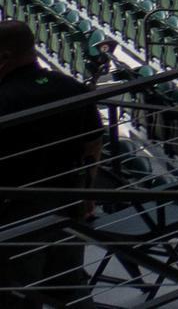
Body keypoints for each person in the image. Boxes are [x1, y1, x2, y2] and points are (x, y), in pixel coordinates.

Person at [0, 19, 103, 307]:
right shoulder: (69, 86)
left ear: (4, 57)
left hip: (16, 215)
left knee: (17, 293)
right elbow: (93, 143)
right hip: (68, 202)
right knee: (68, 288)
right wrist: (88, 192)